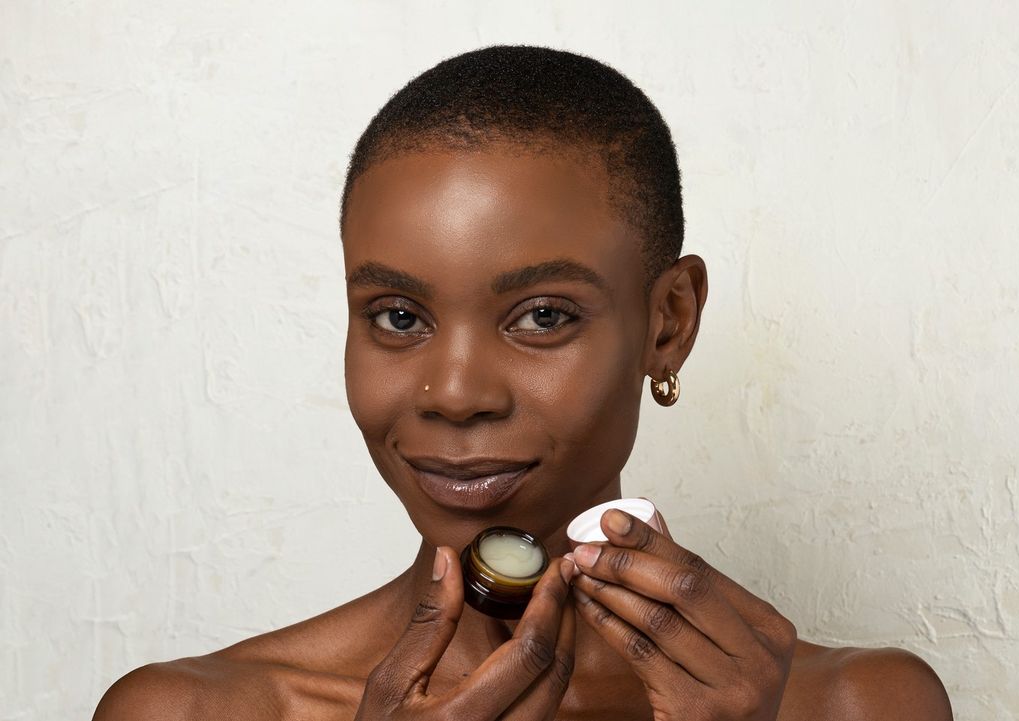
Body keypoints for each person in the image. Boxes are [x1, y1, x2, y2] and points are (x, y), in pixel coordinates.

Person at [94, 45, 952, 721]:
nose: (455, 392)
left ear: (668, 322)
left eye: (542, 316)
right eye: (398, 315)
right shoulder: (193, 710)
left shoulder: (852, 705)